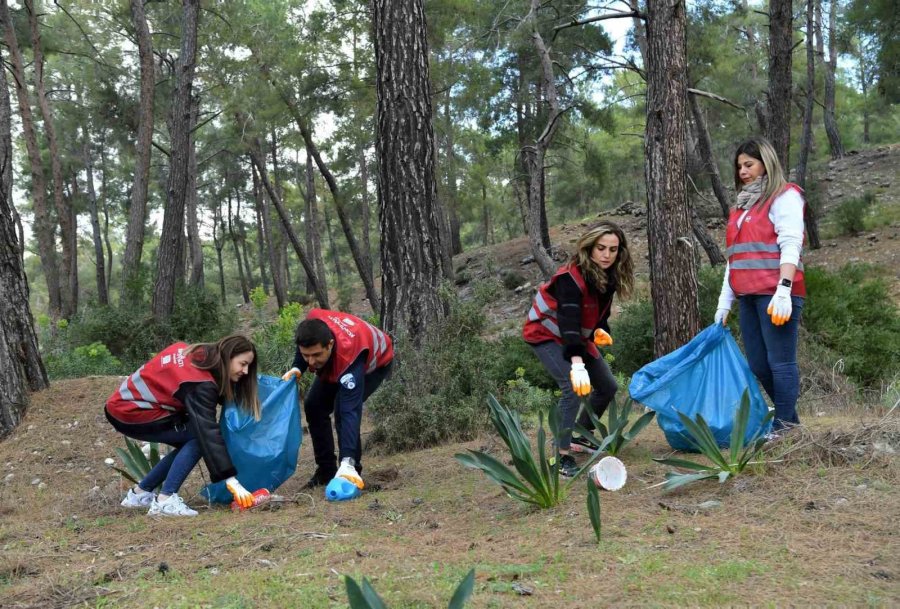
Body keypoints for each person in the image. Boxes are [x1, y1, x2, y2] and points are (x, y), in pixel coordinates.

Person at [522, 222, 634, 477]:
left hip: (575, 339)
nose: (607, 255)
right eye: (601, 248)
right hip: (546, 333)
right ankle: (560, 458)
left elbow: (598, 316)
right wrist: (577, 364)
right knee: (572, 387)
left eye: (613, 249)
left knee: (607, 386)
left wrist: (601, 331)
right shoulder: (570, 279)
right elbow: (569, 321)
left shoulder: (608, 278)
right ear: (589, 248)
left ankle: (580, 436)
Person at [105, 335, 260, 517]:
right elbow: (207, 431)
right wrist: (230, 479)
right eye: (242, 364)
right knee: (197, 437)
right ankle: (165, 500)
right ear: (227, 356)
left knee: (192, 438)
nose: (246, 371)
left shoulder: (195, 353)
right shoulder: (199, 382)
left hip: (121, 405)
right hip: (131, 412)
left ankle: (140, 494)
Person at [715, 136, 806, 436]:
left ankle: (783, 426)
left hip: (775, 294)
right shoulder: (740, 209)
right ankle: (789, 422)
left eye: (749, 164)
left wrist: (784, 289)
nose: (742, 171)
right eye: (739, 166)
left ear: (766, 164)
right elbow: (735, 259)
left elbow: (791, 243)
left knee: (780, 363)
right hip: (748, 296)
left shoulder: (784, 196)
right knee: (758, 363)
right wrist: (723, 302)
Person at [282, 309, 394, 491]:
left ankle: (351, 471)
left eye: (316, 355)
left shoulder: (350, 356)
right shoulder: (312, 324)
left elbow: (351, 412)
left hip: (375, 363)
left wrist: (347, 461)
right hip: (338, 357)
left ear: (330, 344)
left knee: (343, 410)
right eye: (306, 356)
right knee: (314, 406)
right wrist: (297, 367)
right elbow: (305, 346)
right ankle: (326, 470)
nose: (310, 362)